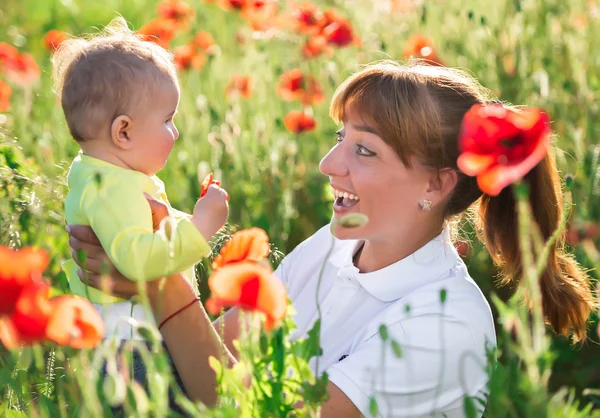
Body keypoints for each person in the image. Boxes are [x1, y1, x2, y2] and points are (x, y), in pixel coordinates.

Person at [66, 61, 595, 417]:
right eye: (340, 139)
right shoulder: (337, 245)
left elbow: (239, 409)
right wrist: (151, 246)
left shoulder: (444, 323)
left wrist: (163, 282)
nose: (328, 165)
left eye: (364, 151)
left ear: (434, 185)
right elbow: (225, 353)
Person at [53, 18, 229, 341]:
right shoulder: (111, 190)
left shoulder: (108, 178)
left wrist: (182, 222)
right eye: (167, 119)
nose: (175, 132)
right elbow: (138, 260)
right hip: (130, 345)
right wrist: (201, 226)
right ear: (123, 132)